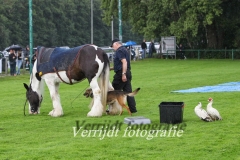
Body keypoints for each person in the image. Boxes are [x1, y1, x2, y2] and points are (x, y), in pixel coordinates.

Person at [110, 38, 137, 113]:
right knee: (128, 92)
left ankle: (113, 110)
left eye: (112, 46)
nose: (113, 48)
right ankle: (133, 109)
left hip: (121, 74)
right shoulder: (125, 50)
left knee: (113, 92)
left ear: (116, 44)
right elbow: (121, 64)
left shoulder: (119, 51)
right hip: (127, 72)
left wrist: (123, 74)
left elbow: (124, 62)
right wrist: (111, 68)